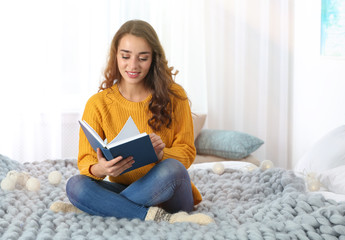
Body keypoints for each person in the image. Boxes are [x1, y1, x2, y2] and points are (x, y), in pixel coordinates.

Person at [59, 20, 213, 225]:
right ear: (115, 56)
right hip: (130, 189)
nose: (133, 66)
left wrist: (160, 154)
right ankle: (147, 215)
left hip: (170, 193)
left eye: (143, 58)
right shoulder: (98, 103)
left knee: (172, 168)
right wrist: (103, 169)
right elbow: (86, 162)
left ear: (153, 59)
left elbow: (186, 152)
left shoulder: (175, 96)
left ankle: (101, 207)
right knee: (76, 185)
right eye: (125, 56)